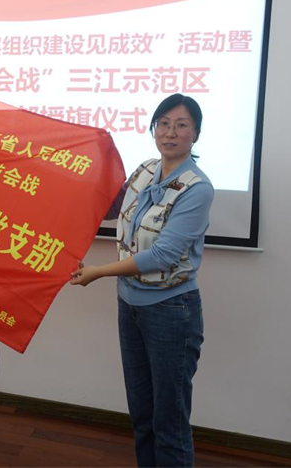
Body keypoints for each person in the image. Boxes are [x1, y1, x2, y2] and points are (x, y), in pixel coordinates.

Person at [70, 93, 214, 467]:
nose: (170, 132)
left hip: (172, 312)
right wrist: (74, 179)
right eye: (163, 124)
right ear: (153, 129)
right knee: (142, 415)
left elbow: (162, 256)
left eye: (181, 125)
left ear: (196, 134)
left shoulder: (197, 188)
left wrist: (99, 272)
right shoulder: (146, 170)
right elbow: (113, 207)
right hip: (130, 306)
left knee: (169, 423)